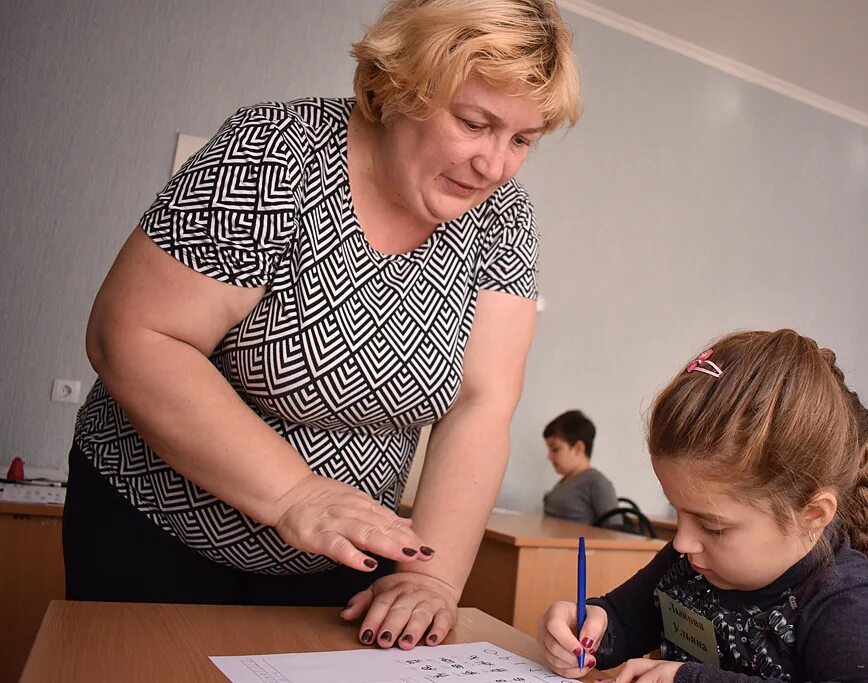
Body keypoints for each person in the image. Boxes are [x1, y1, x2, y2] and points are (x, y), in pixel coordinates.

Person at [63, 0, 581, 651]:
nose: (495, 165)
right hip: (156, 531)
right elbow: (132, 337)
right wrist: (294, 494)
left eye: (523, 140)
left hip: (338, 559)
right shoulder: (275, 154)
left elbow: (481, 404)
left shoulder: (503, 218)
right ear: (402, 88)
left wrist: (432, 577)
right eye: (475, 123)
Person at [538, 329, 868, 681]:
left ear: (812, 515)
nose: (683, 542)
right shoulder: (690, 564)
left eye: (713, 526)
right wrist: (587, 625)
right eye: (677, 511)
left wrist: (689, 678)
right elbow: (625, 616)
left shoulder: (849, 603)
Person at [542, 410, 618, 525]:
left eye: (555, 449)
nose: (549, 456)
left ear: (578, 448)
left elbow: (616, 532)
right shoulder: (564, 482)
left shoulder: (596, 483)